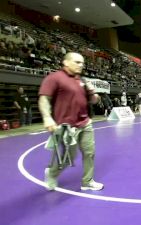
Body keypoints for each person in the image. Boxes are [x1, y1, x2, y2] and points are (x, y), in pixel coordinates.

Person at [38, 52, 104, 191]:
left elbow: (93, 100)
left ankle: (87, 181)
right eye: (77, 62)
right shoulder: (54, 78)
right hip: (66, 126)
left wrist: (94, 93)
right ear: (66, 62)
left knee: (89, 152)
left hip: (85, 123)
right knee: (69, 157)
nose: (81, 65)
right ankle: (51, 173)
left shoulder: (83, 81)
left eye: (82, 63)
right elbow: (44, 99)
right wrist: (47, 117)